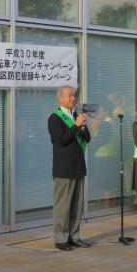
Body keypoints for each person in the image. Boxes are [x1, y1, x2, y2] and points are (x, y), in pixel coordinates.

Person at [48, 85, 91, 251]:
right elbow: (61, 140)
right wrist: (75, 126)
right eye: (70, 96)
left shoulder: (76, 115)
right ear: (61, 98)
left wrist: (80, 126)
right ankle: (60, 239)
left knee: (77, 204)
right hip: (64, 167)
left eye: (74, 95)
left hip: (78, 165)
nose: (73, 98)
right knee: (63, 205)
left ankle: (74, 236)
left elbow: (86, 138)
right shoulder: (55, 118)